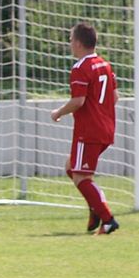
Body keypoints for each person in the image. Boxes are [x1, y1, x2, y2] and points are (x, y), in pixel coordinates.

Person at [51, 22, 119, 235]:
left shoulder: (80, 68)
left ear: (79, 43)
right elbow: (115, 97)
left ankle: (108, 220)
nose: (70, 44)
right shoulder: (105, 65)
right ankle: (95, 208)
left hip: (89, 131)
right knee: (71, 166)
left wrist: (58, 112)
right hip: (106, 129)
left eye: (71, 40)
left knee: (80, 176)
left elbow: (78, 101)